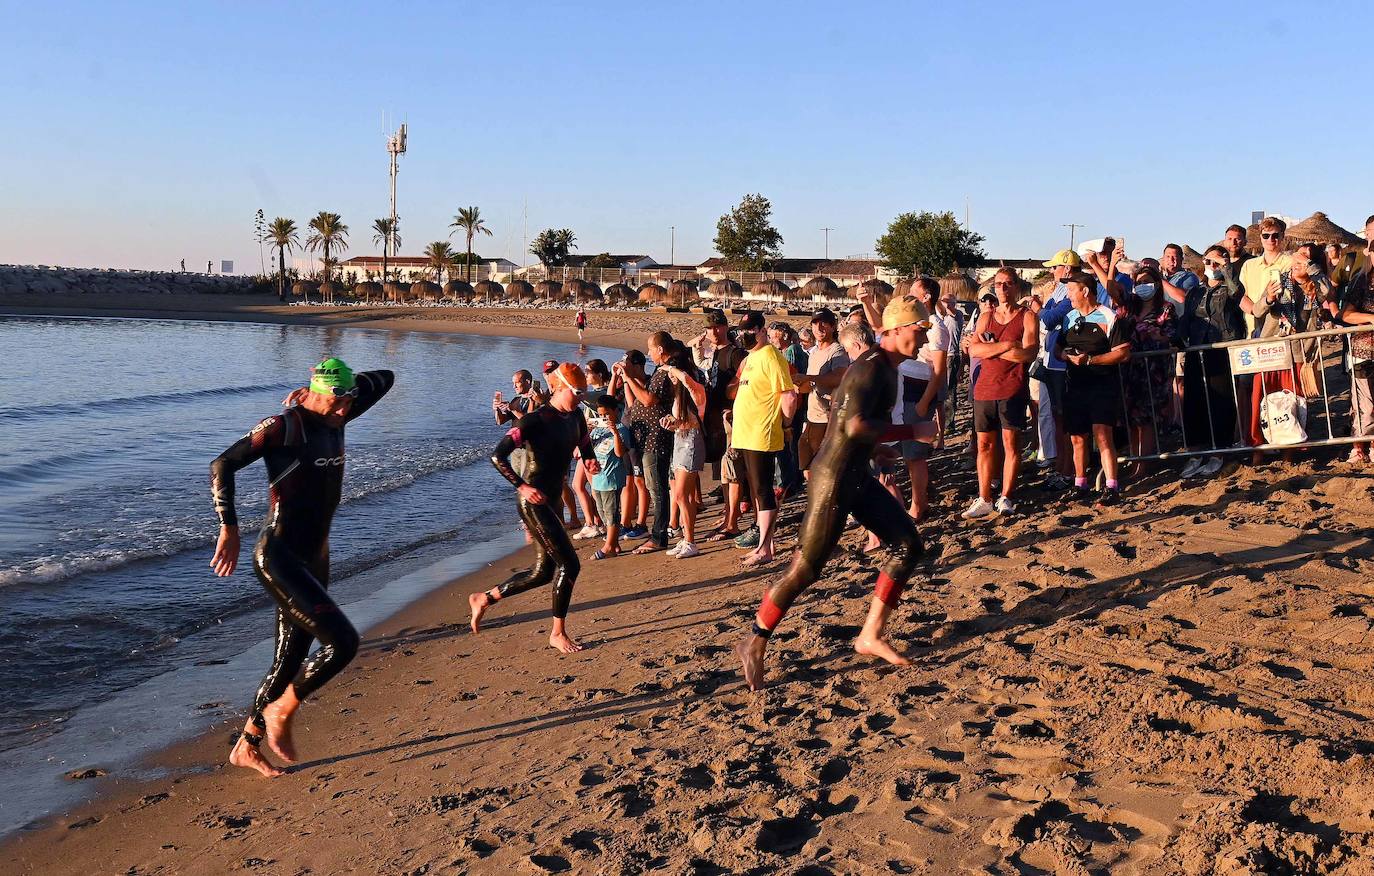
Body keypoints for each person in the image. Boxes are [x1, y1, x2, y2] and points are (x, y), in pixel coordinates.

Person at [210, 358, 395, 777]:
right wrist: (229, 528)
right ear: (316, 392)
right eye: (337, 401)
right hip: (279, 555)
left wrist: (337, 390)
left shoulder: (338, 415)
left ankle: (247, 744)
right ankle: (282, 711)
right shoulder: (283, 426)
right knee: (343, 643)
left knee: (290, 657)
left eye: (349, 400)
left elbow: (386, 378)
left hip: (317, 556)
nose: (345, 409)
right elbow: (221, 465)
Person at [735, 298, 931, 691]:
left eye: (926, 331)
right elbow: (856, 425)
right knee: (806, 568)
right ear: (893, 330)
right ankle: (754, 639)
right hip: (834, 480)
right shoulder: (873, 369)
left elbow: (848, 425)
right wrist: (910, 432)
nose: (923, 338)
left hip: (854, 472)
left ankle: (871, 635)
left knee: (907, 545)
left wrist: (877, 449)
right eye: (918, 330)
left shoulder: (886, 368)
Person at [471, 363, 600, 653]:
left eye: (583, 392)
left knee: (543, 572)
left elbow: (584, 444)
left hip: (553, 500)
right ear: (558, 387)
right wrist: (522, 486)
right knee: (570, 564)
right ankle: (557, 633)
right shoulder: (534, 421)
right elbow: (498, 456)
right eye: (576, 392)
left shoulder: (576, 416)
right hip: (533, 502)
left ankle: (484, 598)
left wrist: (589, 459)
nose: (580, 397)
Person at [1242, 241, 1330, 458]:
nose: (1300, 262)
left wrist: (1309, 265)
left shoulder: (1315, 286)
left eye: (1306, 259)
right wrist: (1269, 298)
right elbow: (1257, 309)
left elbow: (1327, 291)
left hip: (1298, 352)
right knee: (1261, 400)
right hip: (1271, 350)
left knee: (1293, 402)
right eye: (1298, 257)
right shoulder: (1278, 281)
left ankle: (1289, 450)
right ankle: (1258, 449)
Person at [963, 268, 1038, 518]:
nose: (1003, 289)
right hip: (984, 387)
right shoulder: (986, 317)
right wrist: (1007, 345)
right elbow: (974, 350)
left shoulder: (1027, 316)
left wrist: (990, 348)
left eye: (1007, 284)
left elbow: (1027, 354)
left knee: (1010, 444)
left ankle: (1006, 496)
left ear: (1016, 287)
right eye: (998, 285)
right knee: (983, 444)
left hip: (1012, 387)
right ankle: (984, 497)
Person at [1054, 271, 1132, 505]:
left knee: (1102, 435)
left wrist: (1091, 360)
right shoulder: (1069, 318)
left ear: (1084, 291)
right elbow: (1057, 350)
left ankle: (1111, 486)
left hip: (1102, 383)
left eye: (1070, 291)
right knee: (1077, 437)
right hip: (1075, 385)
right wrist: (1068, 357)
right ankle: (1080, 483)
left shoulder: (1109, 316)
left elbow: (1123, 352)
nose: (1067, 296)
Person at [729, 314, 798, 566]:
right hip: (746, 433)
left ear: (761, 330)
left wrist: (786, 423)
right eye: (741, 331)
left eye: (748, 330)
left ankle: (764, 548)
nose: (743, 335)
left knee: (763, 489)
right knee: (758, 490)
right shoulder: (750, 358)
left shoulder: (771, 356)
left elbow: (788, 395)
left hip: (762, 432)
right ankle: (766, 543)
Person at [1178, 246, 1245, 477]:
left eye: (1217, 262)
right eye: (1209, 262)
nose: (1212, 267)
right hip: (1197, 349)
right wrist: (1176, 339)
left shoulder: (1229, 288)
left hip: (1221, 349)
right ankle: (1196, 453)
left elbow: (1238, 293)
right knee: (1194, 402)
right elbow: (1186, 320)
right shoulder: (1195, 292)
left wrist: (1226, 269)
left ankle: (1219, 452)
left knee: (1221, 403)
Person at [894, 277, 950, 520]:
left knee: (916, 455)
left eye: (913, 292)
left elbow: (939, 370)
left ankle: (919, 505)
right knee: (908, 454)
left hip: (918, 392)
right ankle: (919, 501)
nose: (908, 296)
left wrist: (924, 402)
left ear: (926, 297)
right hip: (903, 390)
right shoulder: (914, 322)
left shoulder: (935, 327)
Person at [620, 333, 678, 554]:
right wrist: (629, 378)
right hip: (649, 438)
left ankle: (658, 537)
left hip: (656, 438)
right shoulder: (661, 370)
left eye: (651, 350)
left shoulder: (666, 370)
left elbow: (648, 400)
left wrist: (627, 377)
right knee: (657, 487)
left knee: (657, 489)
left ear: (661, 349)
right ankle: (658, 535)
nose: (649, 354)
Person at [1117, 265, 1178, 470]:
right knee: (1132, 419)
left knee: (1147, 418)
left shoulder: (1166, 308)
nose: (1143, 286)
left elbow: (1172, 337)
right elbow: (1112, 291)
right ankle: (1135, 460)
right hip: (1130, 369)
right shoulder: (1129, 308)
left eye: (1147, 282)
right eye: (1139, 283)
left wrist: (1156, 335)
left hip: (1154, 371)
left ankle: (1144, 463)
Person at [1036, 250, 1085, 487]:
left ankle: (1069, 470)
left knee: (1066, 419)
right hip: (1052, 360)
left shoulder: (1071, 290)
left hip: (1062, 363)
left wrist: (1042, 310)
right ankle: (1061, 466)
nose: (1051, 271)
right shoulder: (1059, 289)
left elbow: (1047, 318)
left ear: (1066, 268)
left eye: (1055, 267)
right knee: (1057, 417)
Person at [794, 309, 850, 478]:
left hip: (828, 419)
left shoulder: (837, 351)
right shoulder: (814, 353)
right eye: (815, 323)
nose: (819, 327)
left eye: (824, 323)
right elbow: (812, 384)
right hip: (812, 416)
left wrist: (809, 377)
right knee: (807, 466)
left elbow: (840, 377)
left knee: (822, 471)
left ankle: (826, 503)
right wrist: (800, 385)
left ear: (833, 327)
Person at [662, 348, 707, 558]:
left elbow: (688, 381)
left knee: (680, 494)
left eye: (672, 373)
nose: (670, 377)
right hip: (680, 440)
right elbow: (683, 422)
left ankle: (690, 541)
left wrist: (672, 368)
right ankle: (687, 539)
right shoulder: (678, 396)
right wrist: (671, 424)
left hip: (692, 443)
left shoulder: (695, 389)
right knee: (682, 496)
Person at [1339, 219, 1374, 464]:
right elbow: (1347, 314)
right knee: (1366, 405)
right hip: (1364, 349)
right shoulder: (1361, 281)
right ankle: (1362, 445)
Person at [610, 350, 650, 539]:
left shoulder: (647, 382)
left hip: (641, 438)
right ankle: (625, 522)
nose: (624, 368)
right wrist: (616, 377)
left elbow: (634, 405)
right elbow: (609, 400)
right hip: (627, 435)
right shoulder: (627, 381)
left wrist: (626, 380)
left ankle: (641, 523)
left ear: (638, 366)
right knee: (628, 481)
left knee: (640, 482)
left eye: (627, 365)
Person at [588, 394, 632, 560]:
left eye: (606, 414)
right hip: (598, 478)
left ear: (615, 411)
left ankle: (609, 547)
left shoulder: (621, 430)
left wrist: (614, 432)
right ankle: (614, 543)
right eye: (600, 415)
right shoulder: (598, 430)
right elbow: (586, 451)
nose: (603, 418)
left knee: (611, 512)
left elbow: (620, 453)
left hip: (612, 477)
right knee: (601, 511)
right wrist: (587, 432)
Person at [570, 360, 611, 540]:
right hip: (588, 442)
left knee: (591, 486)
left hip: (596, 444)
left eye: (588, 372)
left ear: (600, 374)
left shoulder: (602, 394)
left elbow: (582, 396)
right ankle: (593, 522)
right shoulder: (594, 394)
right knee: (578, 485)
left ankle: (595, 523)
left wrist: (570, 380)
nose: (586, 375)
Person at [1239, 217, 1294, 339]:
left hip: (1280, 331)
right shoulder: (1249, 265)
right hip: (1253, 330)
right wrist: (1257, 310)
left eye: (1275, 235)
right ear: (1260, 237)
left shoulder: (1291, 263)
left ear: (1282, 236)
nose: (1271, 239)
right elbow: (1241, 296)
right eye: (1266, 236)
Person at [1159, 243, 1200, 316]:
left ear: (1181, 259)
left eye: (1174, 257)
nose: (1171, 260)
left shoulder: (1189, 277)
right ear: (1163, 259)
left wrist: (1161, 280)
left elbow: (1183, 298)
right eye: (1167, 256)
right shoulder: (1161, 277)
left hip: (1179, 323)